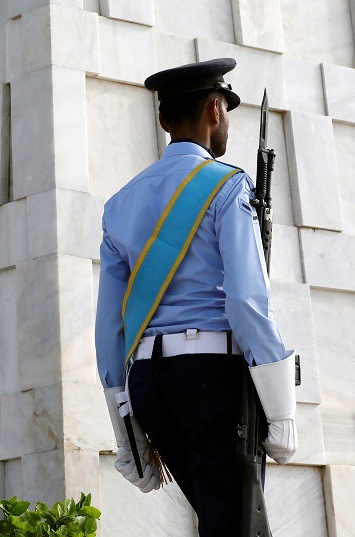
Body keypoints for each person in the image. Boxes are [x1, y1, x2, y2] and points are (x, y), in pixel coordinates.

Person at [94, 58, 297, 537]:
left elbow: (110, 327)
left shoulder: (119, 203)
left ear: (164, 121)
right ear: (215, 110)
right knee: (238, 526)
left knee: (221, 521)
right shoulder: (228, 186)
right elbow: (247, 301)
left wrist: (125, 429)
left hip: (150, 388)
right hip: (213, 381)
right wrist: (283, 409)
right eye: (225, 108)